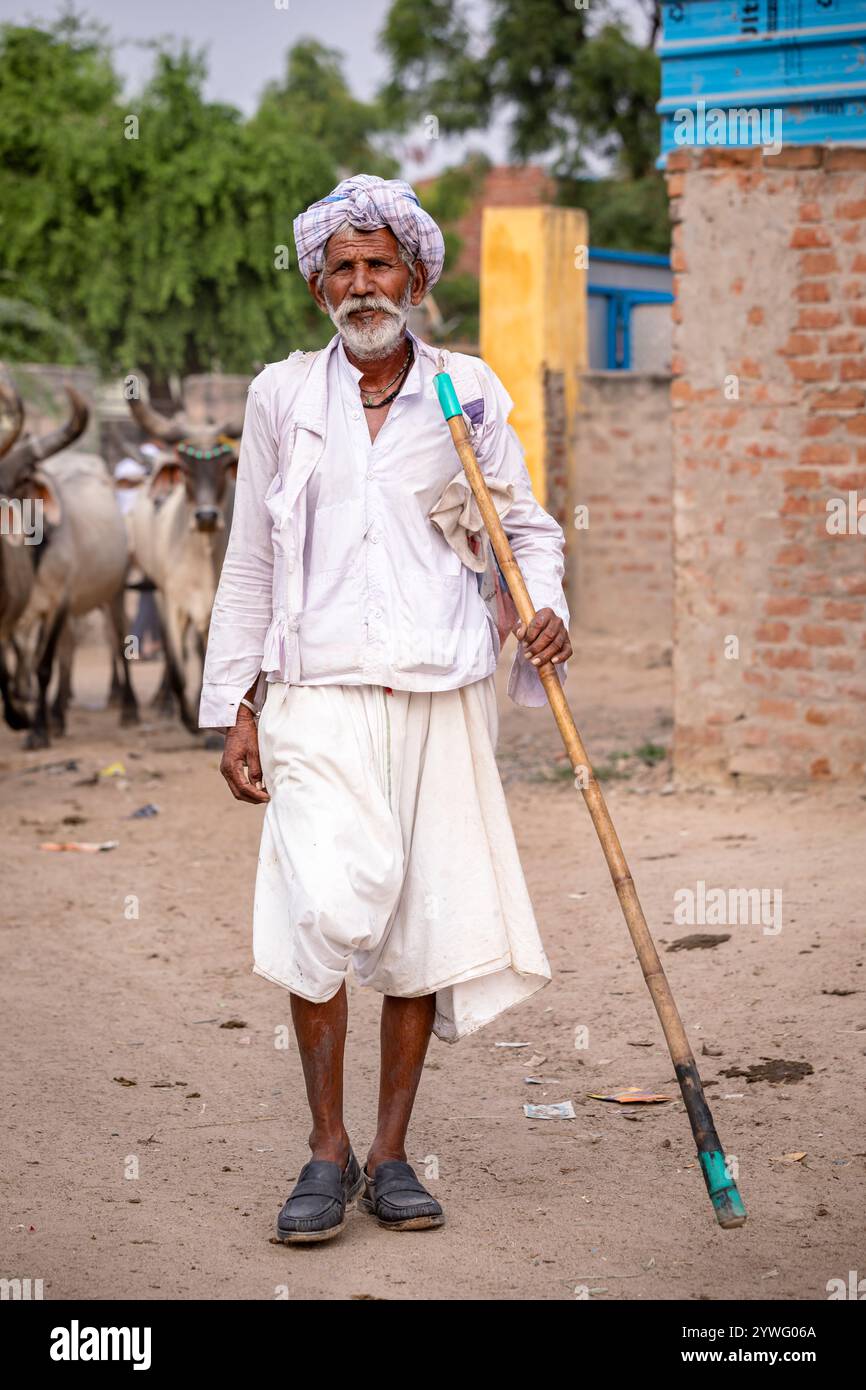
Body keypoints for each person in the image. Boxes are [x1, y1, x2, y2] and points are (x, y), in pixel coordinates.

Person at [199, 174, 572, 1243]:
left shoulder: (465, 393)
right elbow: (250, 561)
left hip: (438, 689)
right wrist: (237, 703)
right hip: (312, 692)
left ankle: (392, 1154)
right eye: (342, 266)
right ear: (317, 279)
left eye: (379, 264)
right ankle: (324, 1150)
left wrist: (540, 605)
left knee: (420, 919)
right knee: (322, 906)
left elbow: (524, 529)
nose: (360, 284)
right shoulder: (280, 396)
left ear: (413, 275)